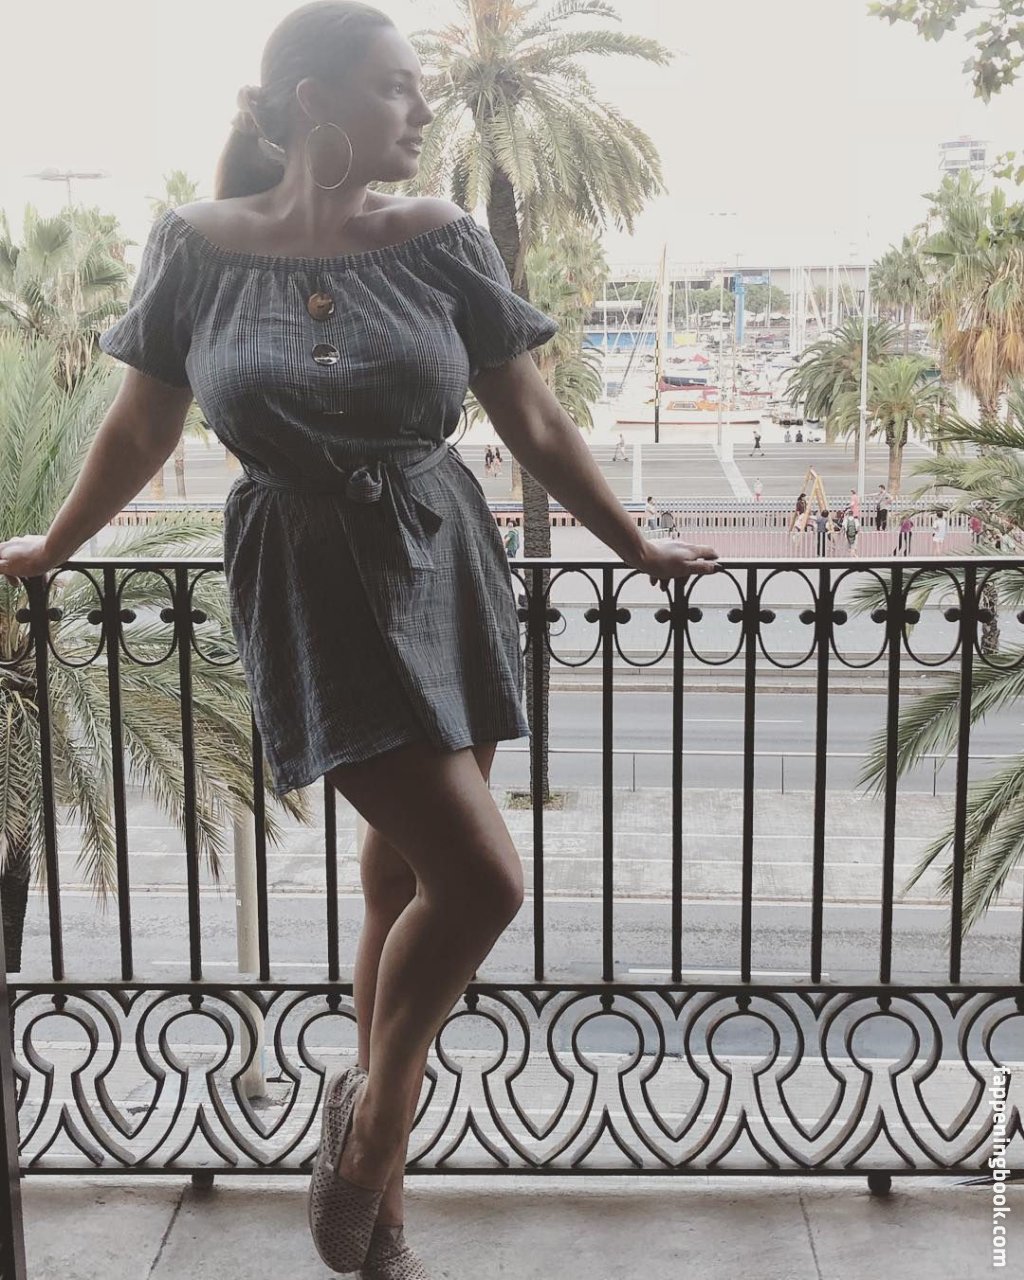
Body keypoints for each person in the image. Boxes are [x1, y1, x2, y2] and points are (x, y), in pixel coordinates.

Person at [0, 7, 724, 1273]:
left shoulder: (441, 239)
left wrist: (635, 546)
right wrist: (53, 546)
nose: (423, 111)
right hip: (307, 577)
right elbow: (141, 428)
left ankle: (383, 1215)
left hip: (442, 559)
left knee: (400, 886)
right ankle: (373, 1126)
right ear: (312, 99)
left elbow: (534, 422)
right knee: (483, 882)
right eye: (396, 87)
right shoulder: (197, 245)